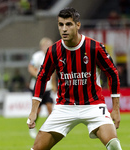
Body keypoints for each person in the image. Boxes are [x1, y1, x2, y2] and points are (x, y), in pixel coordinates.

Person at [27, 7, 122, 150]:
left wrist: (115, 108)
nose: (64, 29)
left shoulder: (94, 47)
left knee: (113, 144)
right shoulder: (53, 51)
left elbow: (113, 74)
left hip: (93, 105)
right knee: (37, 148)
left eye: (68, 24)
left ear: (78, 25)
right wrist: (34, 110)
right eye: (61, 25)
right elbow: (41, 78)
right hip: (64, 107)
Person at [28, 37, 57, 139]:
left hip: (48, 87)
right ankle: (31, 128)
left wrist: (54, 84)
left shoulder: (53, 56)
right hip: (37, 86)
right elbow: (30, 67)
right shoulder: (37, 56)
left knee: (50, 108)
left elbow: (53, 73)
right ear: (42, 46)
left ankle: (48, 129)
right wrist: (38, 76)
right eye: (46, 45)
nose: (48, 47)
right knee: (38, 110)